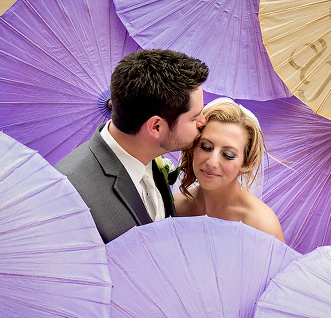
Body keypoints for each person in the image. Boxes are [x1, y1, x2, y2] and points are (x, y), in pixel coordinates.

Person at [56, 49, 209, 243]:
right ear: (156, 127)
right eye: (194, 117)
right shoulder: (71, 197)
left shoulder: (150, 152)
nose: (203, 121)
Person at [174, 97, 284, 242]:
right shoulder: (175, 208)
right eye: (206, 147)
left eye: (228, 155)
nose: (212, 162)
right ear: (193, 147)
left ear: (246, 162)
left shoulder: (261, 225)